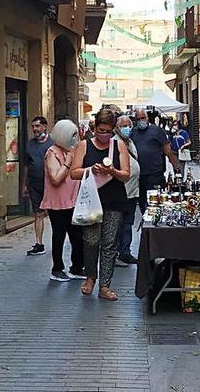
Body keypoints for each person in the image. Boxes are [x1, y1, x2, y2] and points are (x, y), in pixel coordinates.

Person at [70, 108, 130, 301]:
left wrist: (112, 170)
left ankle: (105, 285)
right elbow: (74, 172)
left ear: (113, 129)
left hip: (114, 200)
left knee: (110, 243)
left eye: (107, 131)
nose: (104, 135)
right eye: (100, 131)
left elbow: (126, 175)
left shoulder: (119, 146)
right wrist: (91, 170)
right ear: (95, 127)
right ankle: (90, 276)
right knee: (91, 241)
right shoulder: (84, 145)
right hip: (90, 201)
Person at [40, 120, 85, 282]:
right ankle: (57, 269)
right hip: (57, 203)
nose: (75, 138)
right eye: (72, 135)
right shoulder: (52, 153)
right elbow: (55, 178)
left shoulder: (72, 151)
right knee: (59, 235)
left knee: (77, 236)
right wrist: (67, 162)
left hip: (72, 201)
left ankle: (77, 267)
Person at [131, 108, 179, 215]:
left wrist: (177, 168)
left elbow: (168, 151)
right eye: (138, 119)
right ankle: (146, 227)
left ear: (147, 118)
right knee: (143, 203)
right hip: (139, 176)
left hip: (155, 173)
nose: (141, 121)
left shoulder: (157, 131)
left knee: (155, 202)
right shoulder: (133, 133)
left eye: (142, 118)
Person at [23, 116, 52, 256]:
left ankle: (57, 241)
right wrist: (24, 184)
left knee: (54, 214)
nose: (35, 129)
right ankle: (39, 243)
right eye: (33, 126)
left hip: (51, 184)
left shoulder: (53, 143)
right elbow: (26, 166)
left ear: (45, 126)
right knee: (38, 213)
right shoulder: (30, 144)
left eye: (38, 126)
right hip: (34, 184)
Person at [114, 114, 141, 266]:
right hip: (121, 190)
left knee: (128, 223)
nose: (127, 128)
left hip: (132, 190)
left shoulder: (129, 142)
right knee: (119, 224)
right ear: (117, 128)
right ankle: (117, 253)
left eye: (129, 125)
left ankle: (125, 252)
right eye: (124, 126)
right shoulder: (115, 143)